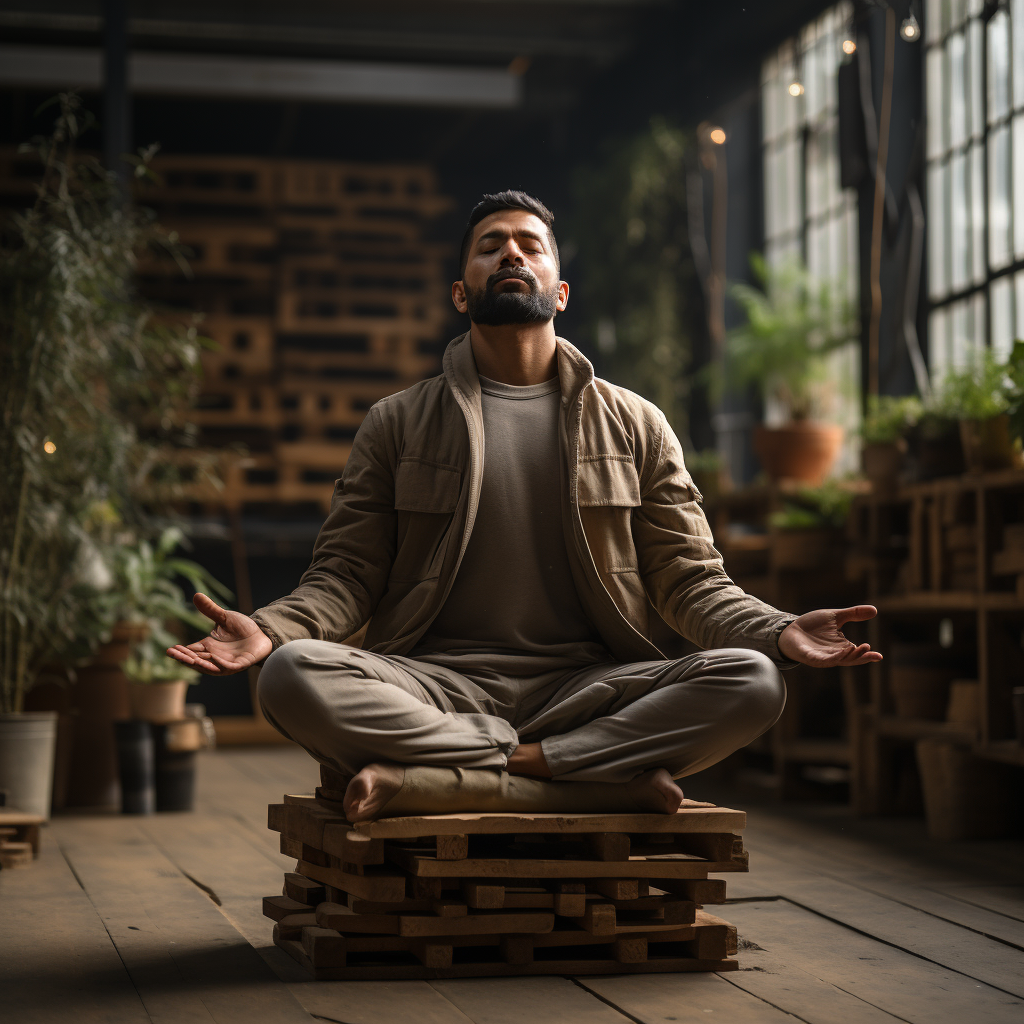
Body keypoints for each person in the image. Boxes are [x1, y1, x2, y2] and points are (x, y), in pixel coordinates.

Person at [167, 190, 881, 823]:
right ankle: (587, 778)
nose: (511, 252)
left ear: (559, 290)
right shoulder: (397, 422)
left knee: (753, 680)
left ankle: (449, 778)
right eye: (490, 246)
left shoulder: (636, 423)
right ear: (461, 291)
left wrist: (778, 631)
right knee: (292, 675)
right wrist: (269, 630)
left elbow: (689, 580)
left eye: (529, 245)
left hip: (590, 688)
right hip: (434, 686)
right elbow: (347, 576)